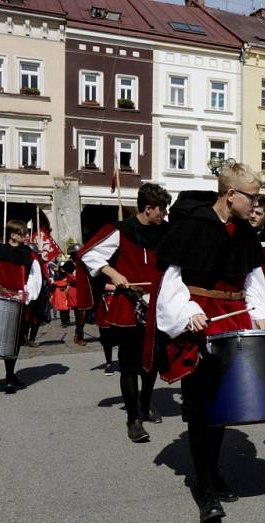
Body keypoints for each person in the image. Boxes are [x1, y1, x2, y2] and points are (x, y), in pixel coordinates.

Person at [154, 160, 265, 523]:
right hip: (199, 319)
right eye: (251, 197)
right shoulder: (192, 226)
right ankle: (205, 490)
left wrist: (261, 313)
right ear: (231, 194)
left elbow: (253, 277)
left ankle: (213, 472)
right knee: (201, 407)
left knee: (224, 405)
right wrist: (187, 310)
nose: (256, 203)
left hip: (234, 318)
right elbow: (171, 279)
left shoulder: (245, 233)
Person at [78, 183, 171, 442]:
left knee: (151, 361)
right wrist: (113, 272)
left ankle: (145, 402)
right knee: (129, 365)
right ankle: (133, 419)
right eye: (161, 210)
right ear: (148, 208)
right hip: (129, 304)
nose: (164, 215)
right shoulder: (120, 231)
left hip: (159, 304)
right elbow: (89, 255)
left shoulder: (167, 231)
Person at [0, 220, 42, 393]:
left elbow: (34, 278)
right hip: (1, 299)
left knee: (16, 340)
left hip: (20, 300)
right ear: (13, 235)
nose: (27, 237)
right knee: (7, 339)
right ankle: (9, 376)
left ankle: (10, 374)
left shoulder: (29, 255)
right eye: (23, 234)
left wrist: (26, 295)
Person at [64, 243, 86, 346]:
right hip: (75, 292)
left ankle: (79, 335)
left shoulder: (82, 264)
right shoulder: (69, 265)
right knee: (79, 316)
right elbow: (72, 278)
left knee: (84, 316)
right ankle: (79, 337)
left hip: (83, 292)